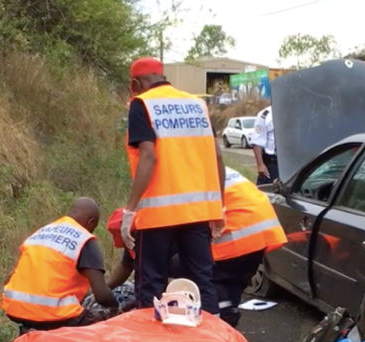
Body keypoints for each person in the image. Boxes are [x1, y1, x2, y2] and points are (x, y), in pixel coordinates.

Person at [122, 56, 225, 316]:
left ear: (136, 82)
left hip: (158, 215)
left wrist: (129, 210)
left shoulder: (141, 104)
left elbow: (148, 156)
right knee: (202, 282)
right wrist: (219, 207)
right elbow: (218, 157)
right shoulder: (197, 105)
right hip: (197, 213)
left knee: (151, 285)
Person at [0, 197, 118, 332]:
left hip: (16, 309)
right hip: (52, 315)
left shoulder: (41, 232)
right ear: (91, 222)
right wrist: (115, 306)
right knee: (103, 322)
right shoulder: (83, 239)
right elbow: (102, 295)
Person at [212, 167, 286, 327]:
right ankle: (228, 317)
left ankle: (224, 317)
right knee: (233, 283)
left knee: (210, 277)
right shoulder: (220, 168)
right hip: (260, 231)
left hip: (237, 231)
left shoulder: (188, 176)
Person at [104, 207, 185, 290]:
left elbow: (153, 277)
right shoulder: (134, 242)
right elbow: (125, 267)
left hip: (180, 280)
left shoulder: (150, 238)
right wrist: (103, 289)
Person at [250, 106, 278, 186]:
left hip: (291, 162)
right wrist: (260, 165)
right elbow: (256, 142)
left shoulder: (293, 112)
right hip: (272, 163)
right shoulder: (266, 115)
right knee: (268, 192)